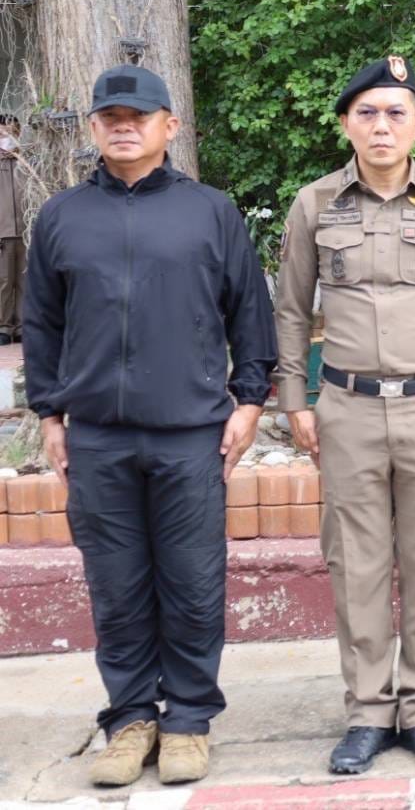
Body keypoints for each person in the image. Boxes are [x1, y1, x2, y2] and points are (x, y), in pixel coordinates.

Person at [24, 65, 276, 787]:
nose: (124, 127)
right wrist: (50, 413)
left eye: (139, 116)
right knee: (117, 585)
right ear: (94, 128)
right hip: (97, 437)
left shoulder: (210, 212)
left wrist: (249, 400)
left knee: (193, 583)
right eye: (111, 117)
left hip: (189, 432)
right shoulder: (62, 217)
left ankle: (189, 718)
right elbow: (40, 323)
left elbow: (249, 313)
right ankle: (131, 719)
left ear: (170, 126)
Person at [274, 56, 415, 775]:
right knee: (358, 566)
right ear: (347, 124)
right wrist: (294, 400)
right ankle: (369, 711)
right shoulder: (315, 203)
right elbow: (291, 308)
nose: (381, 126)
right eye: (367, 113)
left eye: (395, 113)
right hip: (346, 409)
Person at [0, 113, 21, 343]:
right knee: (4, 281)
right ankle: (4, 327)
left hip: (25, 231)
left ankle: (22, 326)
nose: (6, 134)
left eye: (11, 130)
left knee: (24, 281)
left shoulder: (27, 161)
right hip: (2, 232)